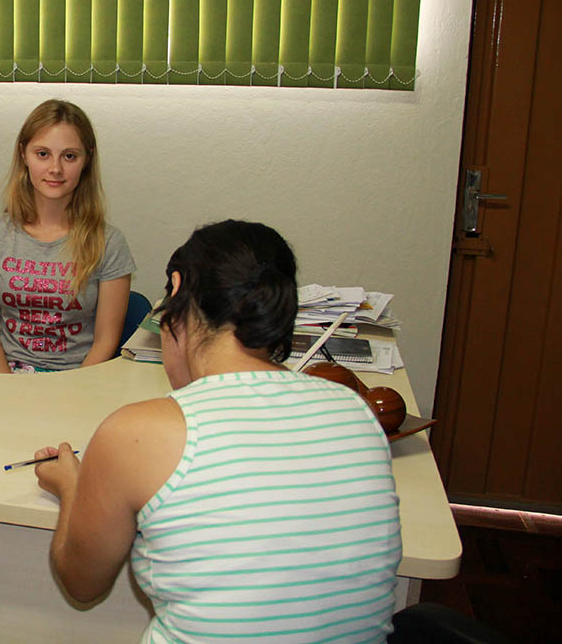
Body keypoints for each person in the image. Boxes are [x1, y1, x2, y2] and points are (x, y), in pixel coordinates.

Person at [33, 220, 401, 642]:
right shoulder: (355, 411)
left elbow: (82, 584)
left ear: (176, 290)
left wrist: (71, 488)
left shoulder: (134, 432)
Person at [0, 99, 135, 372]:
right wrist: (6, 388)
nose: (55, 168)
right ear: (24, 154)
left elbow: (106, 340)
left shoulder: (110, 243)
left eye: (69, 156)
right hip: (8, 380)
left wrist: (73, 393)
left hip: (79, 383)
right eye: (42, 154)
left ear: (86, 159)